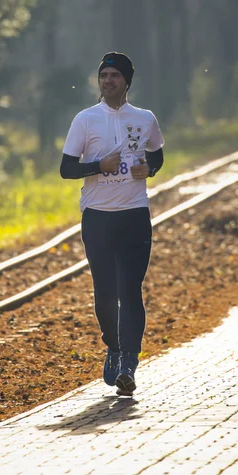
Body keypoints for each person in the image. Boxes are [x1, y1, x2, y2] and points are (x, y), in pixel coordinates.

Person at [60, 52, 164, 395]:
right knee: (106, 294)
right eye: (104, 75)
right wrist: (98, 165)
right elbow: (67, 169)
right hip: (98, 217)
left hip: (134, 214)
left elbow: (157, 153)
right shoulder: (86, 120)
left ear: (127, 82)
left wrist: (149, 169)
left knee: (130, 290)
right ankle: (114, 346)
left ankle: (129, 365)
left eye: (115, 76)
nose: (108, 81)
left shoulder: (144, 118)